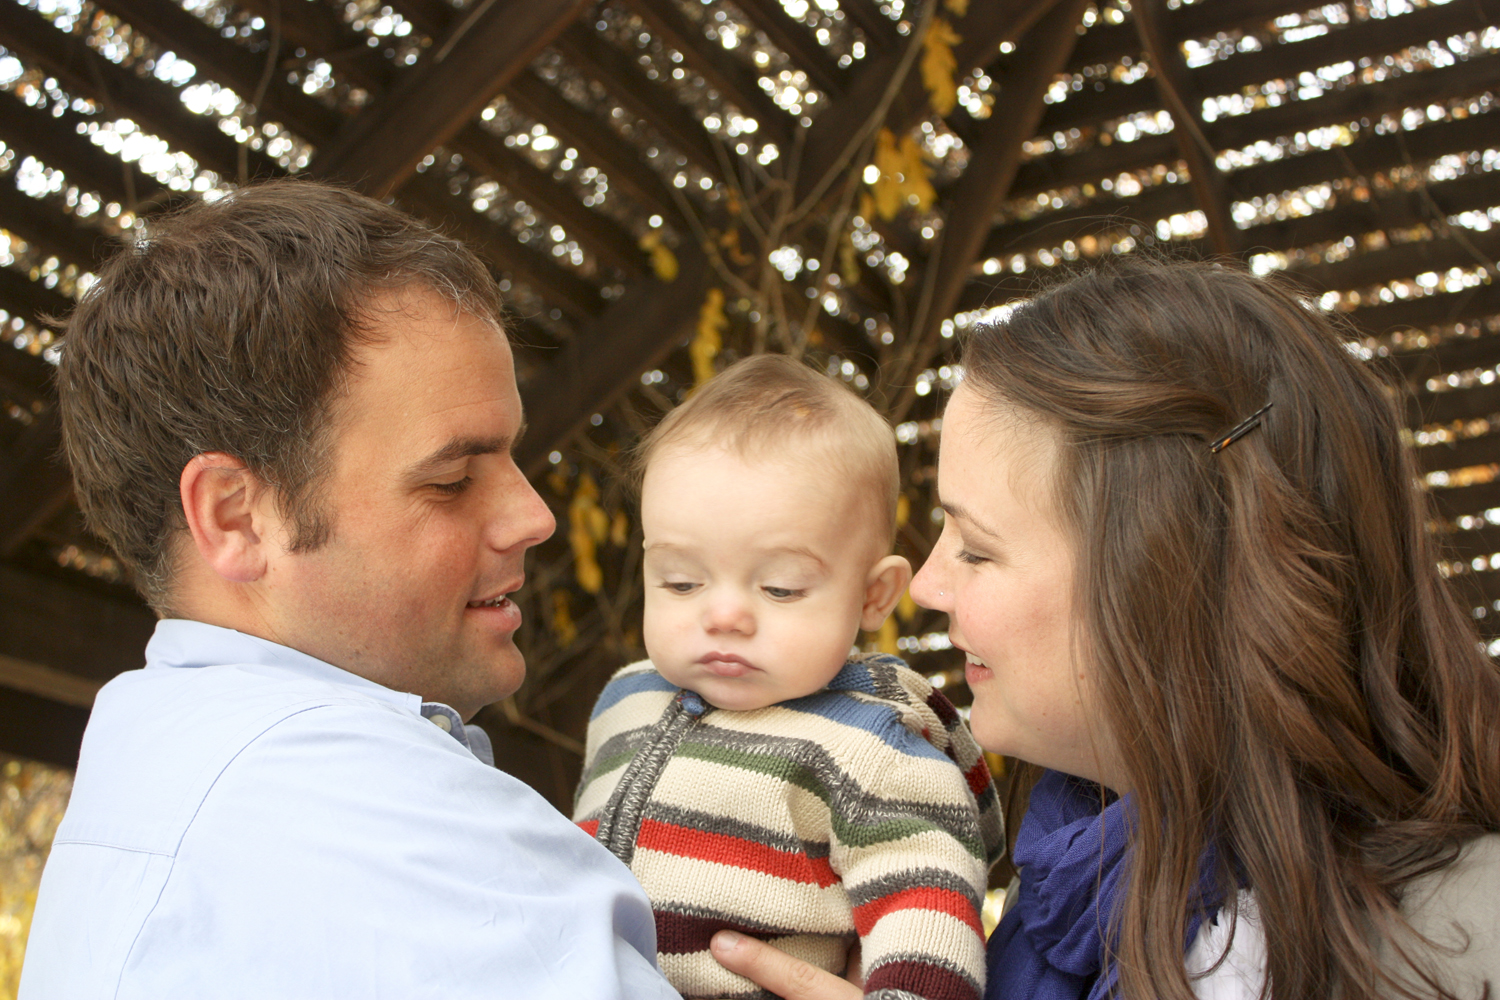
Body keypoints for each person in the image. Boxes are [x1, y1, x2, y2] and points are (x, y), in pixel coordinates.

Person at [708, 258, 1500, 1000]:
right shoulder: (1057, 896)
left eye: (977, 547)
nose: (927, 583)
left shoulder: (1465, 939)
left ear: (1162, 583)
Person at [20, 180, 680, 999]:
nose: (535, 517)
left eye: (512, 458)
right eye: (451, 479)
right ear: (235, 517)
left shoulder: (153, 767)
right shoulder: (354, 803)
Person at [572, 354, 1005, 1000]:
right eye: (681, 581)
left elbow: (927, 915)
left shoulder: (875, 750)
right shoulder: (623, 702)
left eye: (780, 588)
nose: (723, 615)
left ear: (874, 596)